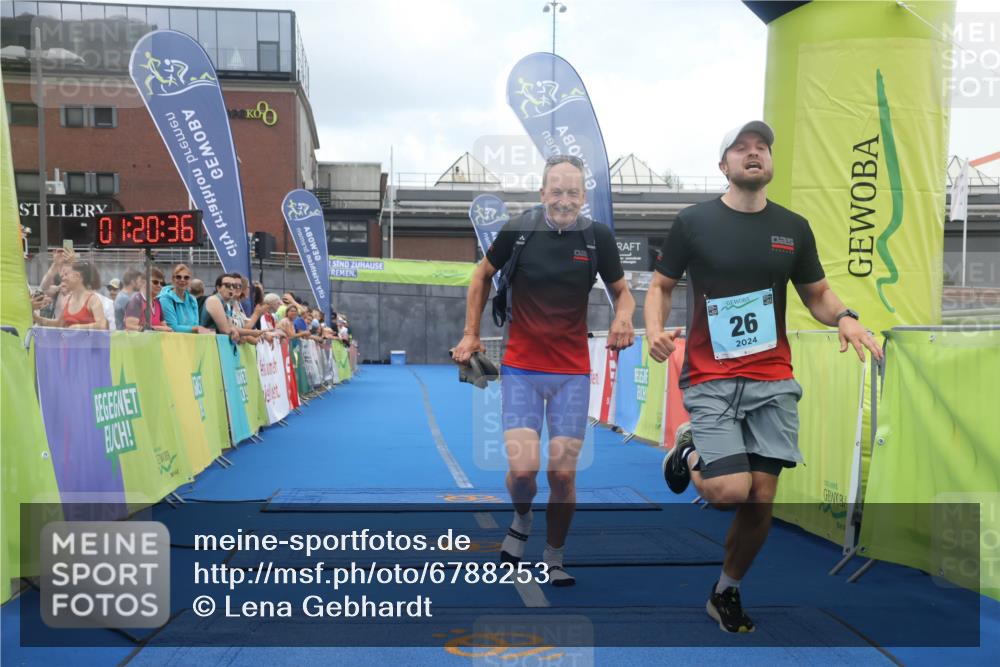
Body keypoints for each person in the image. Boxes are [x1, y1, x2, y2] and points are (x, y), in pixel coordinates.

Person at [645, 121, 884, 634]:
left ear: (770, 164)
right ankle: (688, 449)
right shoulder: (693, 223)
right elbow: (661, 286)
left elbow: (816, 293)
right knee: (730, 489)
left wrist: (846, 316)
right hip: (710, 376)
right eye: (741, 148)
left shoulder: (793, 228)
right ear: (724, 166)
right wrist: (653, 330)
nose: (754, 154)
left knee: (761, 499)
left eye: (762, 148)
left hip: (773, 378)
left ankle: (725, 591)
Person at [452, 154, 636, 587]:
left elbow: (622, 293)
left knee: (562, 474)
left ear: (583, 197)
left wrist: (623, 317)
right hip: (521, 370)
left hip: (572, 372)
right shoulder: (519, 230)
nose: (565, 200)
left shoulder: (597, 238)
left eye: (573, 192)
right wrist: (469, 333)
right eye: (557, 191)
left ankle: (554, 555)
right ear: (542, 193)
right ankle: (522, 517)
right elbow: (480, 277)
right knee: (522, 473)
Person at [32, 260, 107, 330]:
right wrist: (35, 316)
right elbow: (58, 324)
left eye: (66, 274)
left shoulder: (93, 299)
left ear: (77, 276)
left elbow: (102, 325)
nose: (63, 278)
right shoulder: (69, 299)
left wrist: (79, 327)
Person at [159, 264, 210, 334]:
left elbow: (195, 325)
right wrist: (196, 329)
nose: (182, 280)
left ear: (190, 280)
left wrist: (196, 328)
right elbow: (172, 327)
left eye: (186, 278)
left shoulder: (193, 300)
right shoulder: (165, 299)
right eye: (178, 277)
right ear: (173, 279)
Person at [201, 273, 242, 343]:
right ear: (218, 288)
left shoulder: (226, 304)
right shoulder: (214, 300)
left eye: (234, 286)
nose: (231, 288)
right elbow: (225, 330)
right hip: (208, 345)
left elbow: (232, 328)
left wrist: (246, 335)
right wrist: (252, 334)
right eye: (228, 285)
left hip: (214, 345)